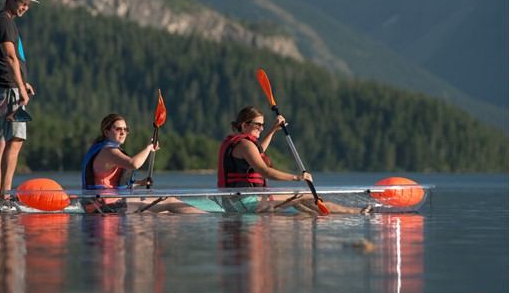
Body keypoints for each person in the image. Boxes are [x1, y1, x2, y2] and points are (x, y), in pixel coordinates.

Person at [219, 106, 369, 215]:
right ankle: (356, 212)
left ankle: (341, 213)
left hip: (243, 200)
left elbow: (259, 151)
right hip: (245, 204)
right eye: (258, 125)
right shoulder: (245, 145)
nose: (261, 129)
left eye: (263, 125)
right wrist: (297, 177)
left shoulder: (241, 143)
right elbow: (265, 172)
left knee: (303, 201)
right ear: (244, 125)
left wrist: (273, 129)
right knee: (305, 195)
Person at [81, 114, 202, 214]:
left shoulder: (100, 149)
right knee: (169, 201)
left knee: (162, 212)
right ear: (106, 132)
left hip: (101, 206)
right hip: (108, 207)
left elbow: (110, 184)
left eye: (125, 129)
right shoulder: (108, 151)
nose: (123, 132)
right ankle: (205, 219)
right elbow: (133, 164)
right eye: (118, 129)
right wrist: (149, 148)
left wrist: (140, 183)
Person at [0, 0, 38, 206]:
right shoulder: (5, 23)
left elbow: (11, 60)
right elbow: (10, 57)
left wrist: (23, 83)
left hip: (2, 88)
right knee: (15, 140)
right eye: (21, 2)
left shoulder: (0, 21)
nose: (25, 7)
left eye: (27, 4)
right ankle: (5, 196)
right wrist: (20, 89)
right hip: (9, 91)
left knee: (0, 142)